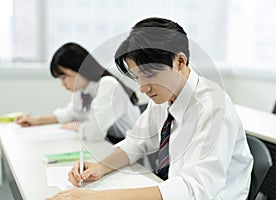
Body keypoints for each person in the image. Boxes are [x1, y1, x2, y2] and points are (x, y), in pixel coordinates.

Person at [47, 18, 253, 200]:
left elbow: (193, 189)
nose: (143, 88)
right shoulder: (164, 97)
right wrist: (99, 167)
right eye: (137, 77)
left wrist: (98, 197)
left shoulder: (213, 107)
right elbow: (136, 143)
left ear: (180, 61)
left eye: (150, 74)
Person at [15, 42, 140, 142]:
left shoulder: (108, 85)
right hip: (110, 143)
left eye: (64, 77)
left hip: (131, 149)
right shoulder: (81, 90)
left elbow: (94, 134)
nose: (62, 83)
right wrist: (36, 120)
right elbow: (69, 114)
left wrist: (78, 127)